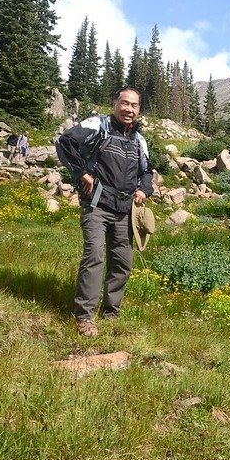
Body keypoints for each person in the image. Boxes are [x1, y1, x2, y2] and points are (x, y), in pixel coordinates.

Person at [55, 87, 153, 337]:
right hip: (96, 204)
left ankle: (111, 313)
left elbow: (147, 172)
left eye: (134, 105)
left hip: (124, 211)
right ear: (115, 104)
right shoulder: (97, 125)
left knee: (122, 263)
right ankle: (84, 317)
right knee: (95, 256)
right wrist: (81, 173)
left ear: (138, 109)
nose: (129, 109)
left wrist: (144, 189)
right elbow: (65, 142)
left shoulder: (139, 140)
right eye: (125, 103)